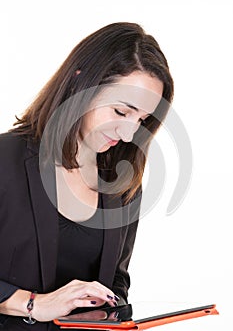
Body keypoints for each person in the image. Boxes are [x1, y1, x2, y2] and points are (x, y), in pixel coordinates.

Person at [0, 22, 174, 330]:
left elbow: (117, 280)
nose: (129, 132)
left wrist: (111, 315)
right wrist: (34, 304)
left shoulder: (124, 183)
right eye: (122, 112)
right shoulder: (4, 159)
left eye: (142, 119)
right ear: (81, 84)